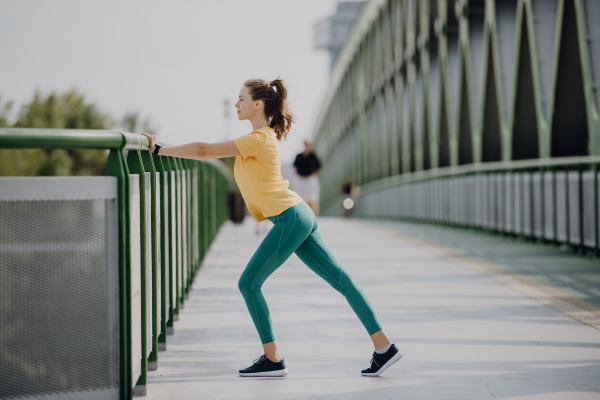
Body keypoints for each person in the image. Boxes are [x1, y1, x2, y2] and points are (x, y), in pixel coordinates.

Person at [140, 77, 402, 378]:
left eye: (241, 98)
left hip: (290, 217)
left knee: (248, 283)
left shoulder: (259, 139)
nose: (237, 104)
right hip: (297, 214)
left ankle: (272, 358)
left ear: (258, 104)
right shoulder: (260, 138)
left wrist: (159, 148)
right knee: (341, 280)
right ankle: (384, 348)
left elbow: (202, 151)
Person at [293, 138, 321, 216]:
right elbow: (295, 167)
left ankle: (315, 219)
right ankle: (302, 218)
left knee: (313, 199)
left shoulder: (313, 156)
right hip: (300, 179)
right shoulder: (298, 156)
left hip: (310, 179)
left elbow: (318, 168)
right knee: (300, 200)